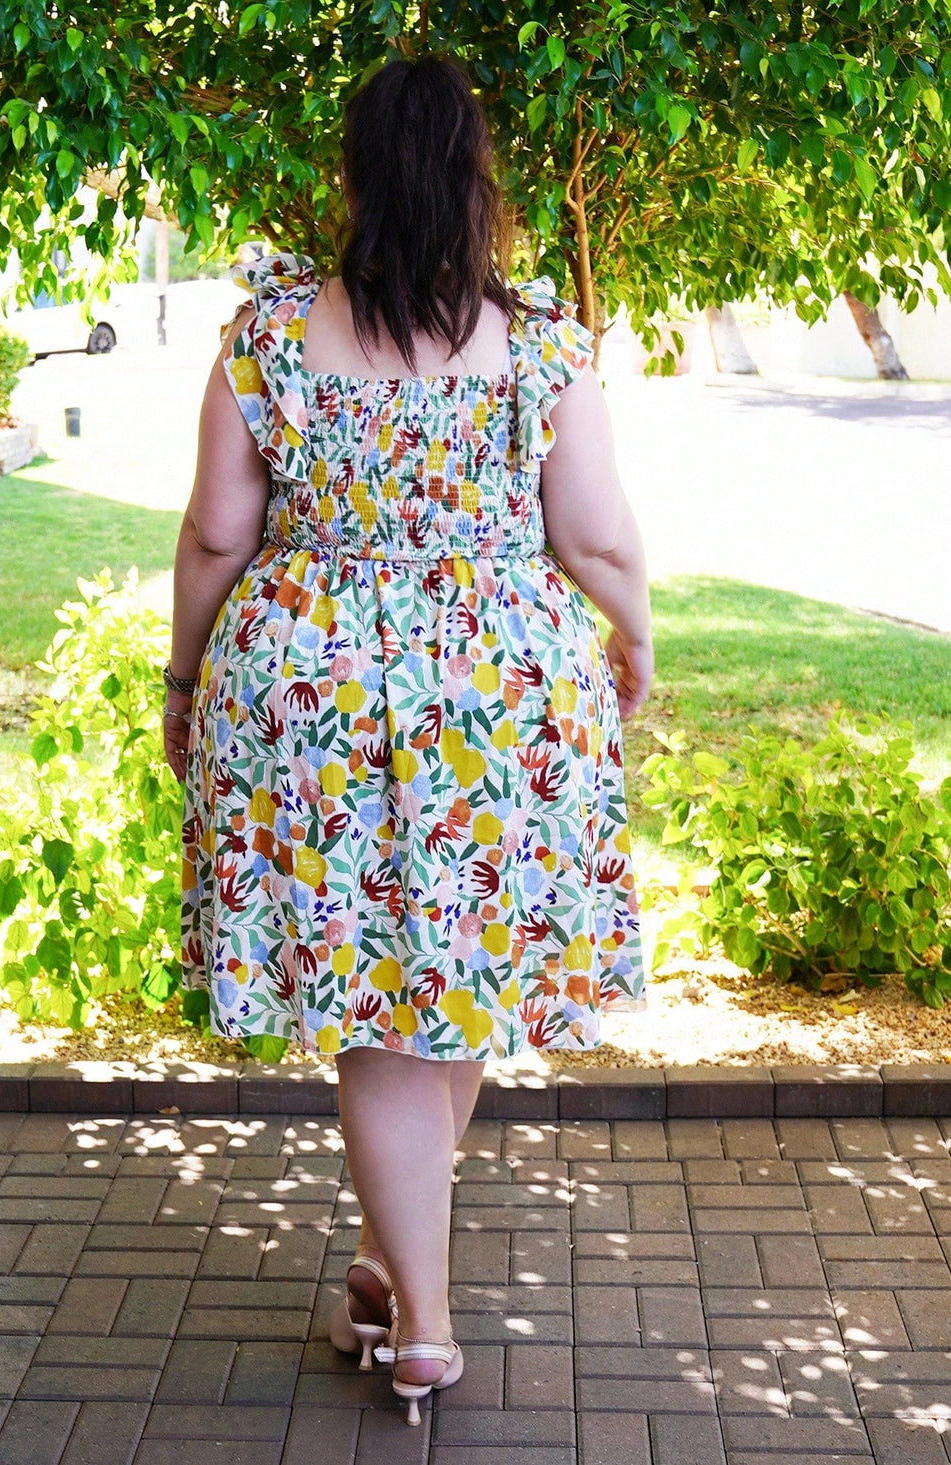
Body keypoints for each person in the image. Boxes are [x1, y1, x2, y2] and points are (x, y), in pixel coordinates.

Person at [163, 55, 651, 1427]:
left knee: (397, 997)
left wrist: (184, 677)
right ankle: (417, 1307)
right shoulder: (543, 343)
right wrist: (634, 632)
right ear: (478, 185)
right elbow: (595, 532)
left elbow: (215, 532)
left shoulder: (268, 337)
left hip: (308, 691)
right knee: (437, 978)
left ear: (359, 176)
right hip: (499, 696)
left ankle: (400, 1287)